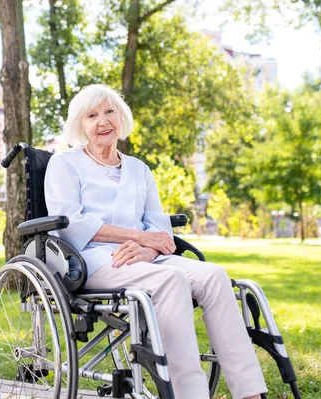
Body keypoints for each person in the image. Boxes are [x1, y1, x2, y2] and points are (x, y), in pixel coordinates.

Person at [44, 84, 267, 399]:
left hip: (145, 259)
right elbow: (71, 223)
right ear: (80, 125)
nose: (102, 121)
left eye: (109, 112)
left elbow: (159, 231)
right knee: (172, 279)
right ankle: (190, 395)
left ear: (121, 118)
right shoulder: (64, 164)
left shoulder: (138, 169)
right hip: (90, 261)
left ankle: (250, 394)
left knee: (215, 276)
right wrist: (138, 236)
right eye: (92, 115)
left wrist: (147, 249)